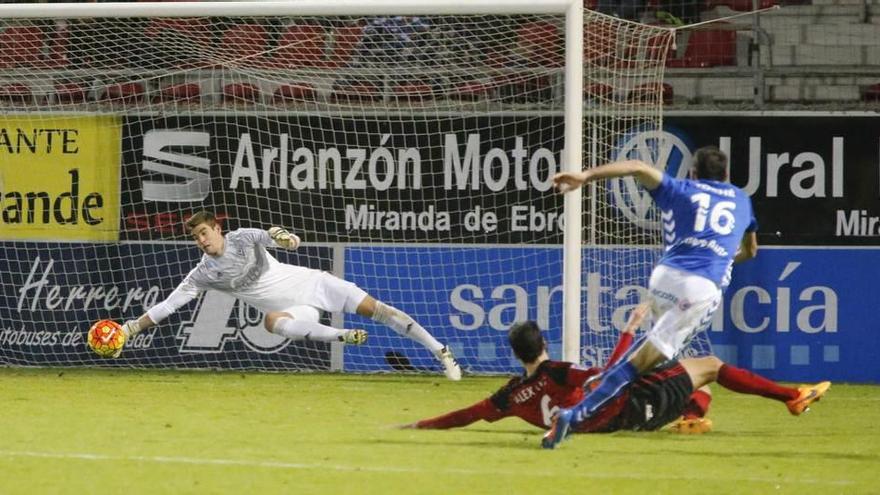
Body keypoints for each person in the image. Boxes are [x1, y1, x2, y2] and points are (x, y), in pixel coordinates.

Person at [543, 146, 759, 448]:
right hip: (699, 288)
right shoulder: (741, 199)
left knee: (658, 356)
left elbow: (635, 165)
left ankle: (638, 397)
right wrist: (721, 258)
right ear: (726, 176)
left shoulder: (681, 188)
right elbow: (750, 251)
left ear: (693, 173)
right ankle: (578, 413)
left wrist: (584, 175)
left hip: (663, 278)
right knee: (642, 362)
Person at [104, 211, 462, 380]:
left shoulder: (243, 237)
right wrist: (129, 330)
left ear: (217, 228)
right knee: (273, 322)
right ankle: (342, 337)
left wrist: (286, 238)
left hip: (314, 284)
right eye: (195, 237)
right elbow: (169, 305)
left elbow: (276, 237)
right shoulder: (203, 274)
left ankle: (441, 353)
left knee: (378, 310)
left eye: (204, 232)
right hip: (295, 310)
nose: (201, 240)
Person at [403, 306, 830, 434]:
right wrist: (628, 332)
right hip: (634, 406)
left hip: (621, 425)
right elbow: (611, 373)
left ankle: (691, 419)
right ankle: (791, 397)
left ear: (516, 355)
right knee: (712, 367)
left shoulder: (511, 397)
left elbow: (468, 415)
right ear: (544, 345)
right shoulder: (561, 371)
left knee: (693, 377)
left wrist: (421, 424)